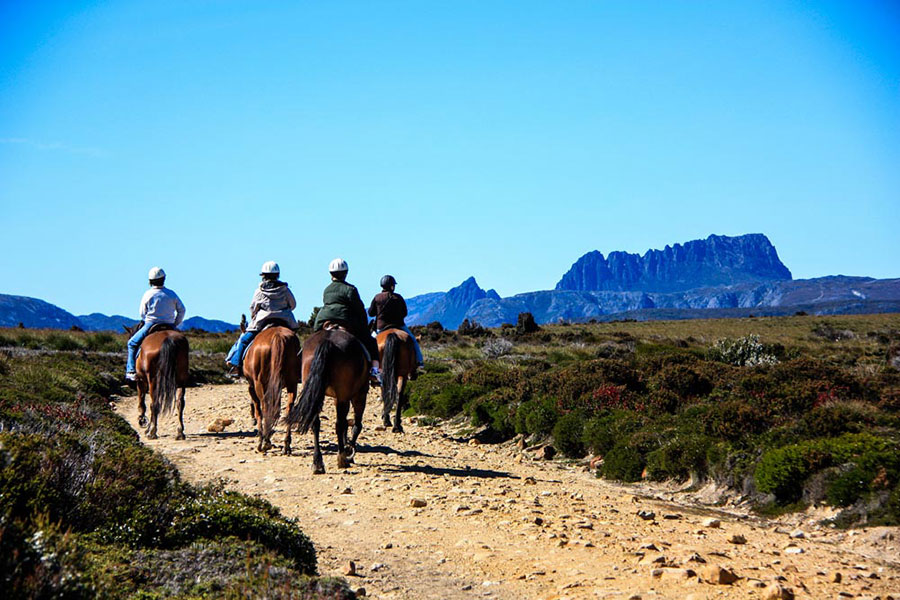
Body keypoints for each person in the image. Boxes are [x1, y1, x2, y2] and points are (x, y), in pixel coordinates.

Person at [313, 258, 382, 385]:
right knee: (371, 342)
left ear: (330, 274)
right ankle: (374, 371)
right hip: (345, 319)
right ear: (346, 273)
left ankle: (300, 362)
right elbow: (360, 309)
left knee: (313, 339)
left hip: (324, 319)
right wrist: (364, 326)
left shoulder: (327, 289)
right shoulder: (351, 289)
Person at [225, 261, 299, 377]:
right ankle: (298, 367)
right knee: (295, 342)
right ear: (277, 275)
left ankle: (236, 365)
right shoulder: (285, 289)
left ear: (263, 275)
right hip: (284, 321)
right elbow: (293, 304)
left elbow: (253, 308)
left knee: (244, 341)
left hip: (263, 322)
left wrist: (255, 315)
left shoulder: (259, 291)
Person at [126, 267, 186, 380]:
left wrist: (147, 320)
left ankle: (131, 370)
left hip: (151, 324)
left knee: (132, 343)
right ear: (164, 279)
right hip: (170, 325)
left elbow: (142, 313)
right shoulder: (172, 294)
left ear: (150, 281)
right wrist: (175, 324)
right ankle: (184, 372)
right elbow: (182, 310)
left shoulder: (148, 294)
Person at [368, 275, 424, 372]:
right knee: (413, 340)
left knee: (370, 343)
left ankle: (370, 366)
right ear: (392, 286)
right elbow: (404, 313)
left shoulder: (377, 297)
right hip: (399, 326)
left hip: (381, 328)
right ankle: (419, 361)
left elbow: (371, 313)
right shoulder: (398, 297)